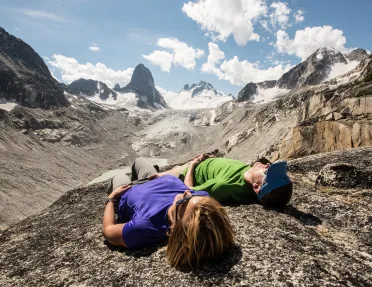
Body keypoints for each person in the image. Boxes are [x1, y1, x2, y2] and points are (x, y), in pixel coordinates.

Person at [102, 158, 235, 269]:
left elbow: (108, 231)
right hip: (154, 178)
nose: (187, 193)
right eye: (194, 195)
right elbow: (188, 187)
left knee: (118, 176)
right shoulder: (200, 202)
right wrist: (190, 167)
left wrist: (112, 199)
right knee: (140, 160)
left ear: (174, 226)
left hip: (125, 190)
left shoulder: (145, 227)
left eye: (184, 201)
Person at [179, 154, 293, 209]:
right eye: (271, 166)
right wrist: (213, 158)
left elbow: (189, 189)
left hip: (192, 171)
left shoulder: (225, 186)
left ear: (256, 187)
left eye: (267, 172)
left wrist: (192, 165)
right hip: (207, 160)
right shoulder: (252, 173)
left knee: (161, 175)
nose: (268, 164)